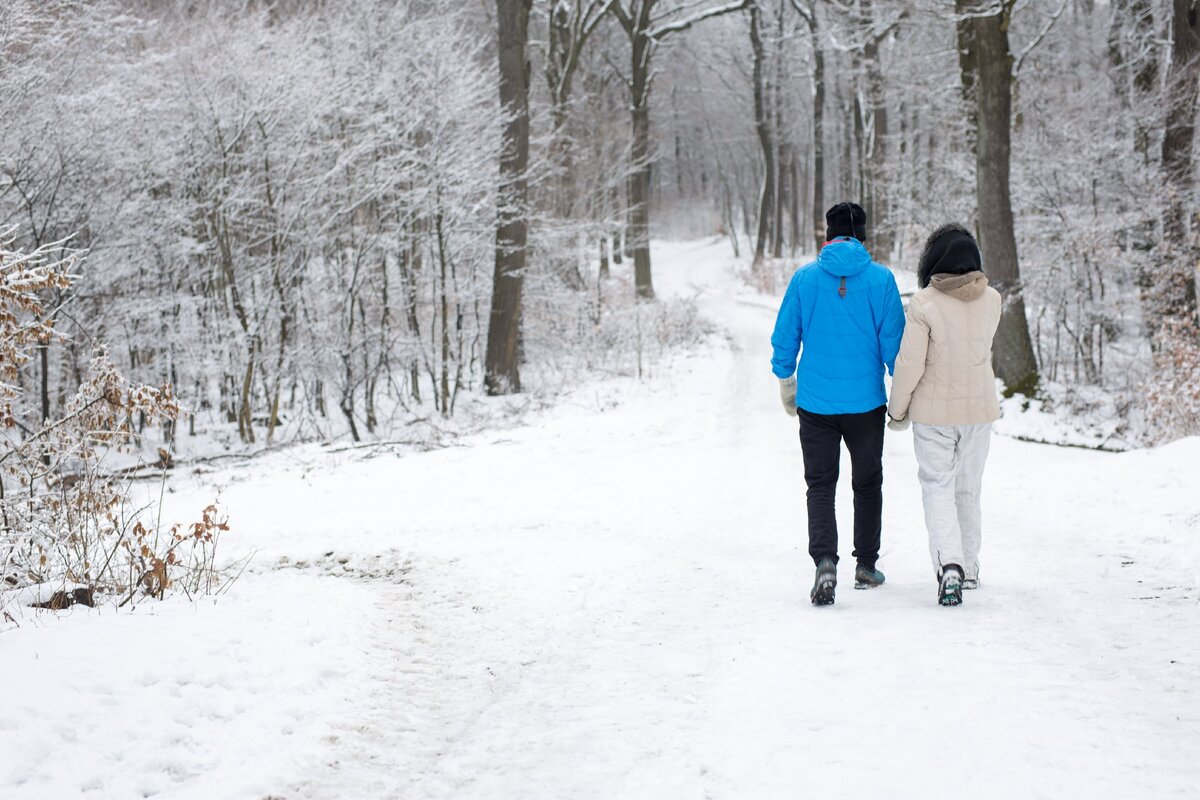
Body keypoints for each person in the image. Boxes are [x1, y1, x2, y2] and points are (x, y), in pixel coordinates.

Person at [770, 202, 905, 606]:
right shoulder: (882, 280)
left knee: (820, 485)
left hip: (816, 405)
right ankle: (865, 563)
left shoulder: (804, 279)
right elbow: (895, 348)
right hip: (866, 405)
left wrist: (786, 380)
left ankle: (825, 562)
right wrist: (902, 397)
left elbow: (784, 338)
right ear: (861, 234)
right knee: (867, 483)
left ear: (827, 235)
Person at [886, 224, 1001, 607]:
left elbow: (910, 363)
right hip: (979, 412)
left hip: (934, 415)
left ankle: (949, 565)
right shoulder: (993, 300)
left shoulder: (924, 303)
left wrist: (897, 409)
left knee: (938, 487)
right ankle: (968, 566)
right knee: (968, 488)